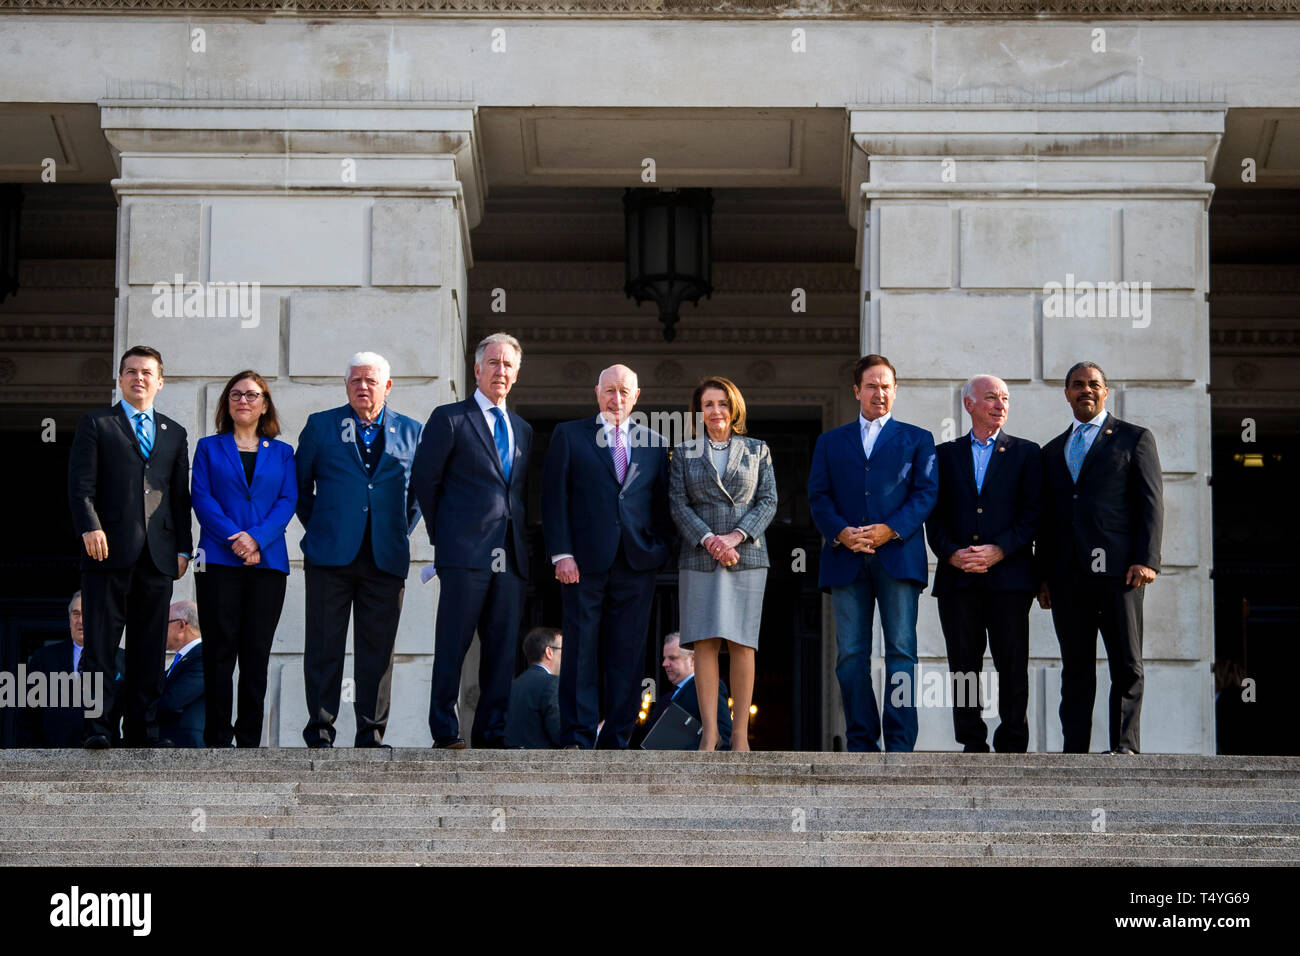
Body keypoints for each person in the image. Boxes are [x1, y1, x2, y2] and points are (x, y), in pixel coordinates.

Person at [808, 354, 938, 753]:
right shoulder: (831, 441)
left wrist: (889, 529)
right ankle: (861, 741)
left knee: (901, 652)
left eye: (886, 386)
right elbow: (818, 495)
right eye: (871, 385)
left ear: (895, 391)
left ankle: (900, 743)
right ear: (856, 391)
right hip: (846, 558)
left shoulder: (918, 439)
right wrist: (842, 533)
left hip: (897, 556)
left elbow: (926, 493)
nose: (879, 392)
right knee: (850, 656)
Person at [296, 352, 423, 748]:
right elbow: (299, 488)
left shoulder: (413, 431)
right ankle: (320, 730)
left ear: (387, 386)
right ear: (346, 384)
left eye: (370, 381)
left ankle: (371, 733)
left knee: (378, 652)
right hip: (329, 556)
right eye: (355, 381)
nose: (362, 387)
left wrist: (397, 529)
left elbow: (418, 496)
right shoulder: (320, 426)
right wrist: (324, 526)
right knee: (323, 646)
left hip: (385, 557)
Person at [542, 364, 672, 750]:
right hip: (581, 564)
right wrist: (561, 554)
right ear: (596, 393)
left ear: (637, 396)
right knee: (580, 651)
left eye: (624, 392)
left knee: (627, 654)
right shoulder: (569, 435)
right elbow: (553, 499)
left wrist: (659, 549)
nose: (616, 400)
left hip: (637, 563)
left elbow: (663, 503)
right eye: (609, 391)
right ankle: (579, 737)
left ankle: (618, 738)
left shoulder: (654, 442)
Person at [68, 345, 192, 749]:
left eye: (147, 372)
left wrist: (184, 549)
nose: (139, 378)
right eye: (131, 371)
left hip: (157, 558)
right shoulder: (96, 423)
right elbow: (80, 486)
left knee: (149, 648)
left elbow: (179, 496)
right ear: (120, 379)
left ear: (160, 381)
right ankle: (98, 728)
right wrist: (90, 527)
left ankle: (143, 730)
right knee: (101, 647)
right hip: (106, 553)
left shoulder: (175, 432)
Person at [413, 333, 532, 750]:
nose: (501, 371)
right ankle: (445, 732)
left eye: (508, 365)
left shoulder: (523, 429)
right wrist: (444, 541)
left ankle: (492, 734)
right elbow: (425, 483)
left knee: (501, 652)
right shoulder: (449, 419)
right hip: (464, 555)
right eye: (493, 363)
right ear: (477, 370)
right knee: (454, 645)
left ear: (516, 375)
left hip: (511, 556)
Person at [1038, 361, 1163, 754]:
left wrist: (1147, 560)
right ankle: (1074, 750)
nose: (1085, 390)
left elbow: (1151, 504)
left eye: (1093, 384)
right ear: (1067, 393)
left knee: (1126, 664)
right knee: (1075, 668)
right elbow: (1046, 518)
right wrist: (1044, 576)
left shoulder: (1134, 439)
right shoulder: (1051, 451)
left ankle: (1124, 746)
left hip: (1120, 573)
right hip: (1067, 576)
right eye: (1077, 385)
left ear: (1106, 391)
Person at [925, 375, 1041, 753]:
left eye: (1004, 398)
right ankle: (972, 740)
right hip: (958, 580)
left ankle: (1012, 741)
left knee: (1011, 662)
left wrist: (1000, 549)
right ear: (969, 404)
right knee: (963, 665)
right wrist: (952, 554)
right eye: (991, 397)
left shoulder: (1027, 453)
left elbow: (1033, 515)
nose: (1000, 404)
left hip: (1009, 578)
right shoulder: (944, 455)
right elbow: (934, 516)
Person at [668, 376, 777, 751]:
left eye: (723, 404)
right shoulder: (683, 452)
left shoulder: (757, 449)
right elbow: (678, 504)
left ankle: (742, 736)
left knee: (742, 642)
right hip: (699, 554)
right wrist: (710, 540)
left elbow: (768, 501)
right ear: (699, 411)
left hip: (746, 554)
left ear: (735, 409)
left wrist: (734, 537)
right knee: (705, 644)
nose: (716, 411)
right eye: (709, 404)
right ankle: (711, 734)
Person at [191, 370, 296, 748]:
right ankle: (217, 737)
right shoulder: (208, 447)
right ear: (227, 403)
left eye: (252, 395)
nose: (244, 401)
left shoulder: (283, 453)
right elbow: (202, 499)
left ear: (265, 404)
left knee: (256, 652)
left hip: (267, 564)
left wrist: (257, 539)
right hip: (218, 561)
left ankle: (249, 738)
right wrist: (237, 540)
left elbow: (287, 502)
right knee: (219, 651)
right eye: (236, 395)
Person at [19, 592, 125, 748]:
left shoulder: (119, 659)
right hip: (54, 756)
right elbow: (28, 714)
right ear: (69, 620)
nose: (80, 621)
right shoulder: (44, 658)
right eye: (76, 614)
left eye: (86, 613)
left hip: (105, 756)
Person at [639, 632, 733, 750]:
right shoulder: (665, 698)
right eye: (664, 658)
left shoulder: (710, 688)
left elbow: (724, 737)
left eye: (672, 658)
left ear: (693, 659)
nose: (664, 664)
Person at [504, 627, 562, 749]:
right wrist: (596, 732)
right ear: (549, 652)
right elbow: (560, 735)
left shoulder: (512, 685)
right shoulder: (553, 683)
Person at [158, 600, 205, 748]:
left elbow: (174, 700)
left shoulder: (202, 655)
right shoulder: (185, 657)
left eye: (165, 623)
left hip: (187, 745)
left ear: (181, 625)